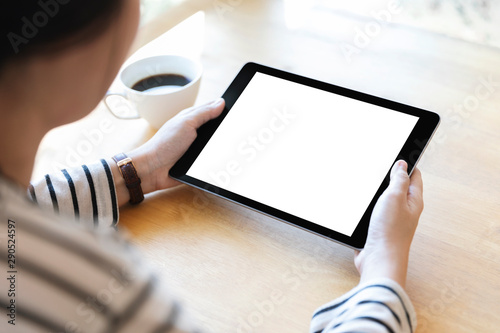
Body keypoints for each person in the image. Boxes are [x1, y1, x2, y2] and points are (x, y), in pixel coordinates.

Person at [0, 1, 423, 332]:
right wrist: (384, 270)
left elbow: (20, 220)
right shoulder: (88, 283)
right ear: (73, 46)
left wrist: (140, 169)